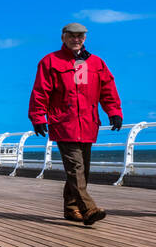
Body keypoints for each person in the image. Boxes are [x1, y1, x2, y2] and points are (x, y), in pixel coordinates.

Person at [28, 23, 123, 226]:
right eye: (71, 36)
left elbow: (108, 88)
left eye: (80, 36)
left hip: (88, 124)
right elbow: (40, 91)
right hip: (64, 123)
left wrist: (114, 112)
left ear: (85, 39)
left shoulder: (96, 63)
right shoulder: (50, 61)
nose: (76, 39)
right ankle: (88, 209)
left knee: (82, 171)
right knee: (75, 168)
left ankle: (71, 209)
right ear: (63, 37)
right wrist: (38, 117)